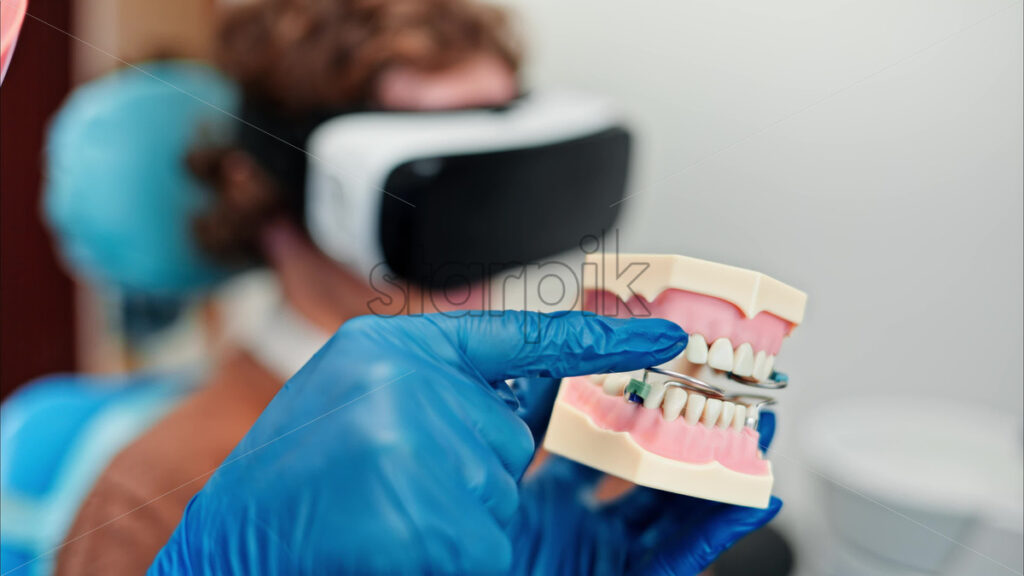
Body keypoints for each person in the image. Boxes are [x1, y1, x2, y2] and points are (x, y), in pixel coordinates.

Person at [4, 0, 780, 573]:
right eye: (442, 197)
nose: (485, 255)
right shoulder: (166, 492)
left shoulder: (559, 453)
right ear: (265, 190)